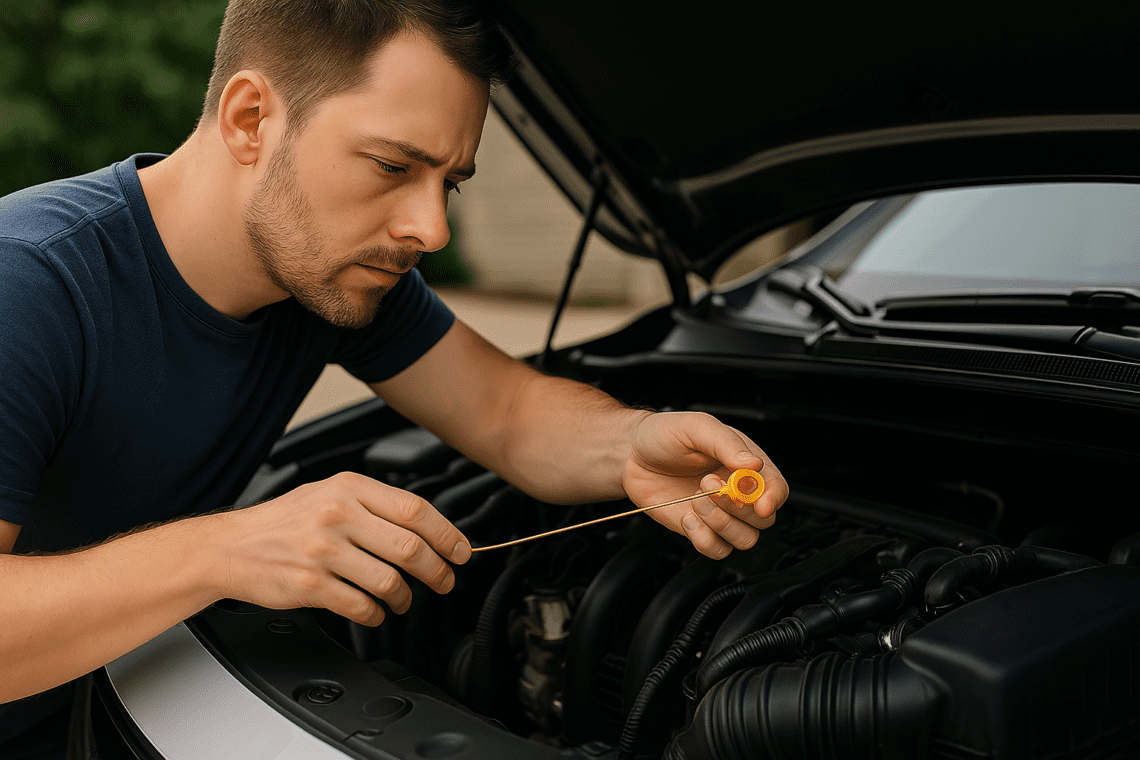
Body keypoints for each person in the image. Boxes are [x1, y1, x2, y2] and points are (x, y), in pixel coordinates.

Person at [0, 0, 787, 754]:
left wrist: (632, 444)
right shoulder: (28, 286)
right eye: (392, 165)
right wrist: (228, 549)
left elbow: (507, 411)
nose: (431, 229)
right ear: (250, 118)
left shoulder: (331, 274)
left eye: (450, 182)